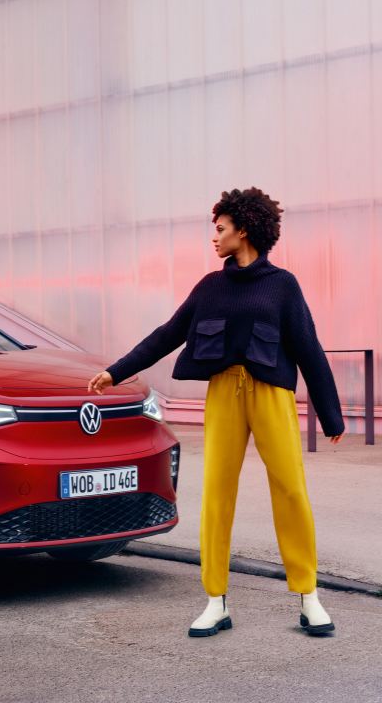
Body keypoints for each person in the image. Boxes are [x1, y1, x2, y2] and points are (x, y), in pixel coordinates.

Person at [87, 187, 345, 638]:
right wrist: (116, 371)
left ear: (243, 230)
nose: (215, 237)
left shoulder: (282, 285)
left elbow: (308, 346)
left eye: (221, 228)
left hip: (272, 395)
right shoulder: (210, 287)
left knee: (290, 490)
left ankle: (309, 596)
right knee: (217, 494)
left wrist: (331, 414)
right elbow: (168, 334)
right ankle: (215, 600)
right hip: (224, 395)